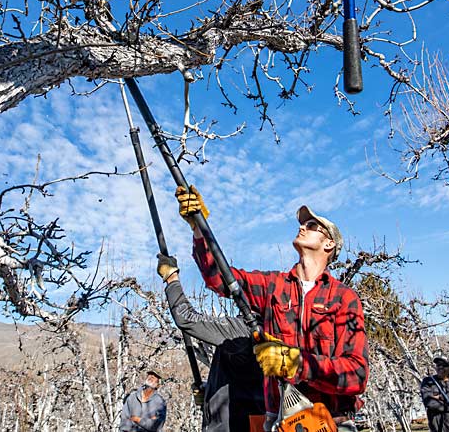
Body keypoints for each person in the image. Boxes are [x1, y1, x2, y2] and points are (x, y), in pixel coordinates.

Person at [176, 185, 368, 432]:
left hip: (332, 420)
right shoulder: (274, 286)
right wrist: (199, 227)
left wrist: (298, 363)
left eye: (311, 226)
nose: (302, 227)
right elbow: (221, 280)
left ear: (329, 244)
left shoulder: (344, 297)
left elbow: (357, 374)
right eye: (303, 224)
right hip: (279, 421)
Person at [156, 253, 266, 432]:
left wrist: (171, 278)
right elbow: (244, 384)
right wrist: (209, 392)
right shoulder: (266, 332)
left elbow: (186, 318)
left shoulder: (244, 330)